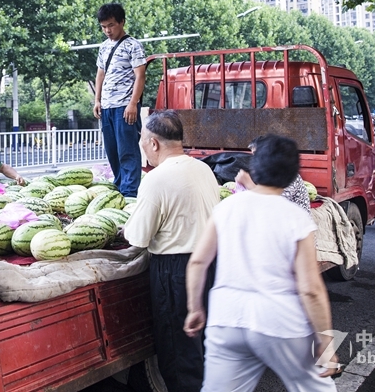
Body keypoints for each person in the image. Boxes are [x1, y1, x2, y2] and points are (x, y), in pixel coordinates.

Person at [184, 135, 339, 392]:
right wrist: (325, 341)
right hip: (280, 322)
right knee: (315, 388)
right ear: (292, 174)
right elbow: (310, 289)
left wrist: (195, 308)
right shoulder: (296, 217)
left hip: (226, 319)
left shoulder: (227, 207)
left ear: (254, 168)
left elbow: (198, 261)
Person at [123, 110, 222, 392]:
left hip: (176, 271)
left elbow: (138, 237)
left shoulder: (156, 179)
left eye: (142, 140)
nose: (142, 146)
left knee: (179, 355)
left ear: (153, 143)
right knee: (204, 347)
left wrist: (126, 227)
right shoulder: (203, 169)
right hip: (211, 263)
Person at [93, 3, 146, 197]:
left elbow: (140, 76)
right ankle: (119, 187)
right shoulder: (104, 47)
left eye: (111, 25)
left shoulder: (133, 45)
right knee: (112, 151)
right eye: (103, 27)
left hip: (124, 107)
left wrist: (133, 104)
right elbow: (100, 74)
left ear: (122, 22)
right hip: (106, 107)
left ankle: (130, 193)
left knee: (127, 151)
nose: (107, 30)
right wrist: (97, 100)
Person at [235, 135, 311, 211]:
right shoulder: (266, 174)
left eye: (257, 154)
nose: (254, 159)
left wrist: (248, 183)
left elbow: (274, 204)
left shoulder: (286, 173)